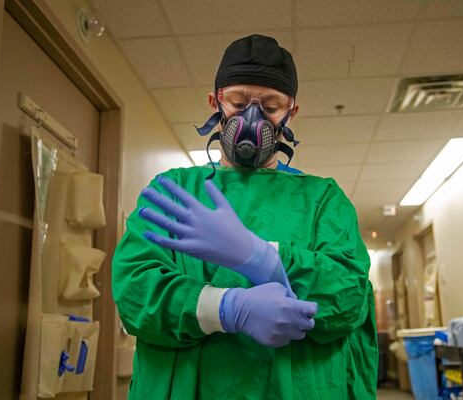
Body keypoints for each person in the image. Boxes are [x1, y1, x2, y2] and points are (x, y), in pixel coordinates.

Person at [112, 34, 377, 400]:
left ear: (291, 112)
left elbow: (349, 297)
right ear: (215, 102)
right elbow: (134, 291)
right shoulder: (174, 191)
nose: (253, 117)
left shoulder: (321, 199)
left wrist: (263, 256)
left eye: (271, 106)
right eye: (238, 102)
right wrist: (225, 308)